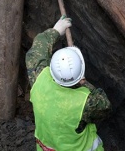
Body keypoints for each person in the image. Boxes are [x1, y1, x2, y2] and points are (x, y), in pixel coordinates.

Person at [25, 15, 112, 151]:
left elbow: (36, 51)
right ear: (81, 74)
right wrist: (85, 83)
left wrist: (56, 30)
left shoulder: (39, 78)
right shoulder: (85, 103)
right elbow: (105, 105)